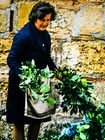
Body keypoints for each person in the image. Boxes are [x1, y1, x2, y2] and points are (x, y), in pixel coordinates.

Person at [6, 2, 57, 140]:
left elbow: (46, 57)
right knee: (19, 122)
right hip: (21, 84)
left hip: (37, 84)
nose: (45, 23)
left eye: (48, 20)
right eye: (43, 20)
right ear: (35, 17)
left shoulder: (46, 36)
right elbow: (11, 59)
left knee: (37, 119)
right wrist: (24, 75)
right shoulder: (24, 35)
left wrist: (58, 72)